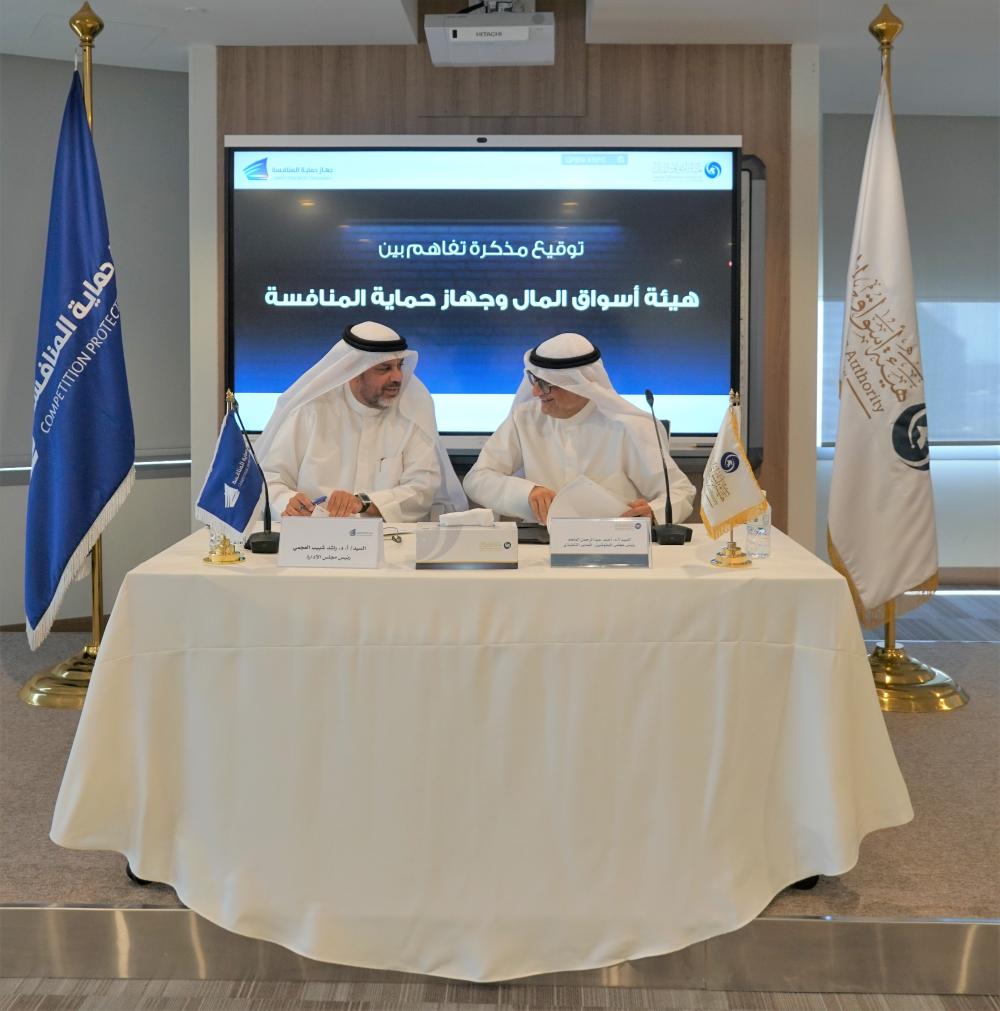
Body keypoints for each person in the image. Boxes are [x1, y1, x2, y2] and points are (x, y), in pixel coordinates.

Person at [463, 332, 695, 524]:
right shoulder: (524, 419)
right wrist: (527, 492)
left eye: (546, 385)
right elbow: (477, 478)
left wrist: (652, 513)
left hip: (614, 544)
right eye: (534, 380)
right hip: (541, 544)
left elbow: (680, 491)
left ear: (580, 384)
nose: (535, 392)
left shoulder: (629, 426)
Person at [255, 321, 467, 522]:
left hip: (390, 538)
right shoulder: (311, 410)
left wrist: (365, 503)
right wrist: (288, 503)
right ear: (353, 371)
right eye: (384, 368)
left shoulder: (413, 410)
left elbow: (422, 490)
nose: (397, 377)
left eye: (399, 366)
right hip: (312, 536)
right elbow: (269, 479)